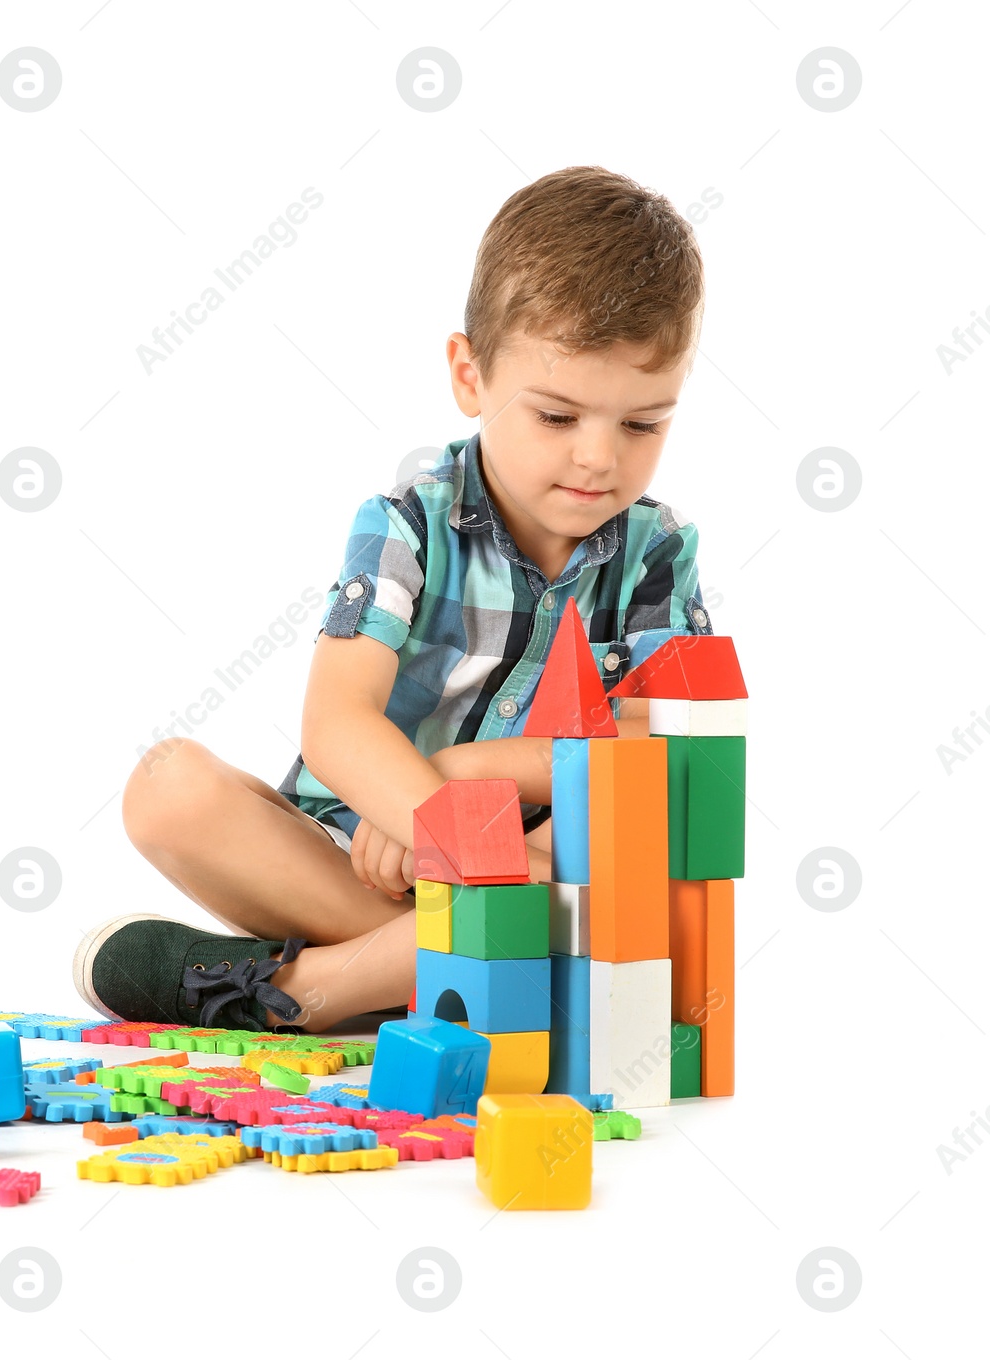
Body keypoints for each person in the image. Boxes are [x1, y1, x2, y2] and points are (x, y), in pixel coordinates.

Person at [73, 165, 715, 1036]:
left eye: (642, 424)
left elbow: (670, 758)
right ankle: (459, 974)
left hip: (531, 861)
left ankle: (300, 992)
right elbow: (338, 724)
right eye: (558, 418)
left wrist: (465, 783)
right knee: (169, 789)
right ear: (469, 374)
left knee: (619, 861)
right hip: (356, 856)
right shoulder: (408, 526)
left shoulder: (658, 554)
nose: (600, 459)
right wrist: (423, 820)